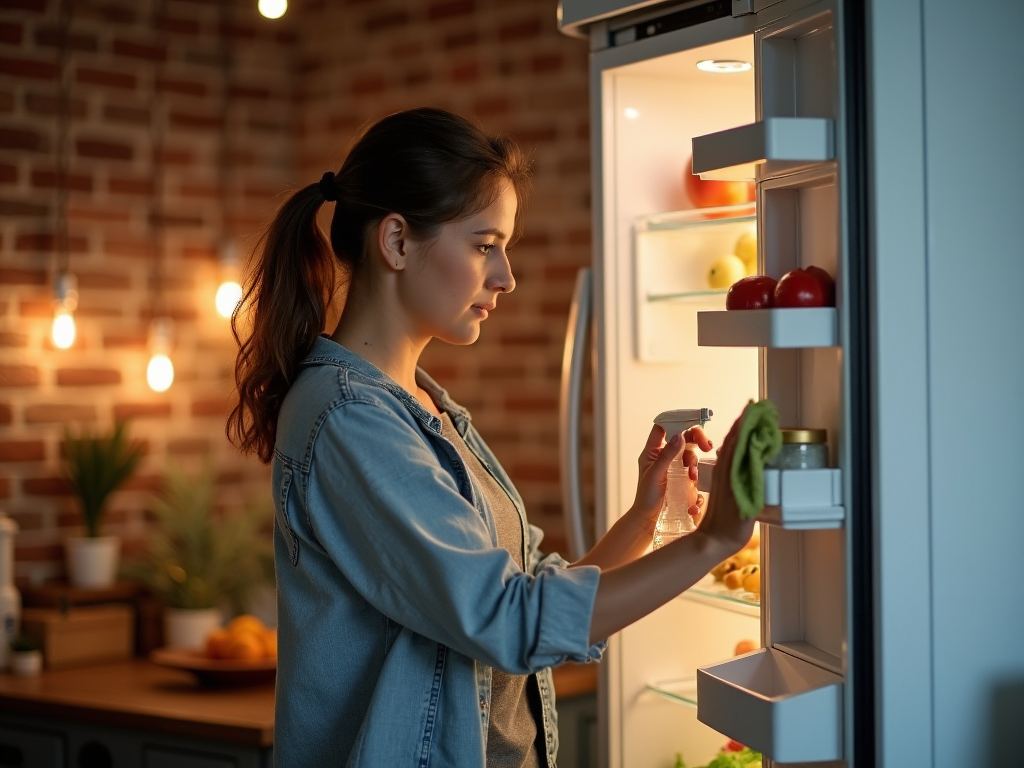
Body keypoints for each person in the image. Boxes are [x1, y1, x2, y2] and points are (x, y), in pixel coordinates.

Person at [227, 106, 755, 768]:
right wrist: (714, 540)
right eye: (485, 246)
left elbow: (523, 596)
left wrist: (643, 519)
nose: (505, 276)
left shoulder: (423, 408)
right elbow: (510, 622)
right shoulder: (349, 420)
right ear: (395, 241)